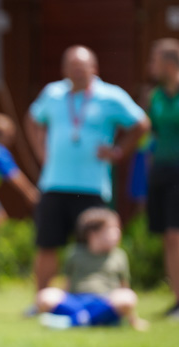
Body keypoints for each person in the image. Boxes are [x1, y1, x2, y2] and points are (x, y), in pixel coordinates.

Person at [25, 45, 150, 299]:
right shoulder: (53, 93)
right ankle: (41, 301)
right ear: (64, 70)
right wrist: (40, 150)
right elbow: (32, 119)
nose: (78, 73)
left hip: (92, 186)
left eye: (82, 68)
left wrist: (118, 152)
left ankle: (97, 296)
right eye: (72, 68)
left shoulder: (110, 96)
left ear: (94, 69)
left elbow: (141, 124)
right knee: (47, 244)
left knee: (94, 245)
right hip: (54, 183)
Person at [36, 207, 148, 331]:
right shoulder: (74, 253)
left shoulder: (119, 256)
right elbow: (66, 284)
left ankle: (73, 322)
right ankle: (93, 319)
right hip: (76, 302)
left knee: (128, 297)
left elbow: (124, 286)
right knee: (45, 296)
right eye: (112, 229)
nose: (118, 233)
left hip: (105, 302)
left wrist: (133, 320)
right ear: (93, 234)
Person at [146, 38, 179, 320]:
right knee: (169, 237)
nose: (150, 67)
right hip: (162, 172)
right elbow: (153, 135)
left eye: (154, 61)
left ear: (170, 63)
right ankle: (177, 301)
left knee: (175, 234)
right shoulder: (155, 96)